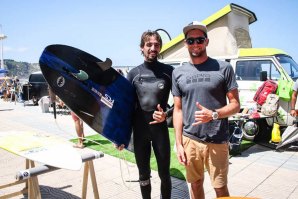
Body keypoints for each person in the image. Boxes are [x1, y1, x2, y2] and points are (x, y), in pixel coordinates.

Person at [172, 21, 240, 199]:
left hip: (217, 139)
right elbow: (177, 110)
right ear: (185, 43)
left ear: (207, 42)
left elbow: (235, 105)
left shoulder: (223, 68)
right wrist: (178, 143)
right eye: (191, 40)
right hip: (190, 140)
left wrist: (214, 114)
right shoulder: (178, 73)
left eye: (199, 39)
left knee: (220, 188)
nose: (195, 44)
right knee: (195, 184)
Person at [125, 30, 174, 199]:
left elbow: (180, 103)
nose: (153, 48)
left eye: (156, 45)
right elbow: (125, 106)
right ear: (141, 48)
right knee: (143, 175)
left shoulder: (169, 72)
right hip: (139, 132)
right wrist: (121, 135)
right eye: (149, 44)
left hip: (160, 131)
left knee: (164, 174)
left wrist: (166, 115)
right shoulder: (133, 74)